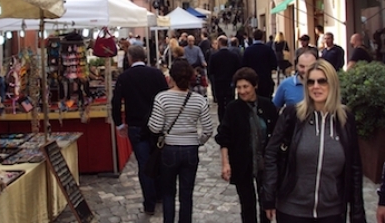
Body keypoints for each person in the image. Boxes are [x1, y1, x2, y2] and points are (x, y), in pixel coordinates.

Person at [262, 59, 366, 223]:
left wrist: (357, 213)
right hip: (292, 210)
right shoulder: (293, 115)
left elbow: (354, 168)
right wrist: (269, 195)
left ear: (332, 84)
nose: (315, 86)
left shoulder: (345, 120)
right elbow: (271, 154)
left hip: (332, 212)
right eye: (311, 82)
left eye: (322, 81)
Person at [148, 59, 213, 223]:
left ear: (171, 77)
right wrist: (198, 141)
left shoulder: (162, 98)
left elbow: (155, 128)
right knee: (187, 193)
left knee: (168, 192)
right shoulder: (199, 100)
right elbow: (208, 130)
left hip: (169, 148)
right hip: (190, 149)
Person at [215, 67, 278, 223]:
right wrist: (225, 163)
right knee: (247, 204)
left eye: (245, 87)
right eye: (239, 87)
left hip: (266, 163)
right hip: (242, 163)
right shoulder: (233, 109)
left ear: (254, 85)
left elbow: (277, 135)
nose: (242, 91)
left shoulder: (267, 106)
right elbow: (224, 137)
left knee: (266, 203)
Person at [112, 46, 168, 215]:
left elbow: (115, 102)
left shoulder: (125, 77)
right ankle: (159, 195)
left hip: (136, 126)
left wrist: (119, 124)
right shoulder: (157, 74)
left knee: (144, 164)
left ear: (129, 58)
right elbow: (165, 97)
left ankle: (149, 203)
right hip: (157, 125)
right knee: (157, 159)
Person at [208, 35, 241, 122]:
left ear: (219, 43)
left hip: (219, 83)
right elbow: (238, 69)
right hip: (230, 83)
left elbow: (210, 71)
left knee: (221, 105)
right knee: (231, 102)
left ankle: (222, 122)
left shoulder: (214, 56)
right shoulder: (233, 56)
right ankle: (231, 120)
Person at [242, 29, 278, 98]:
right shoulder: (268, 49)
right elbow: (274, 64)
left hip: (252, 80)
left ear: (253, 37)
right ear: (262, 37)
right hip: (266, 79)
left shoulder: (248, 50)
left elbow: (244, 65)